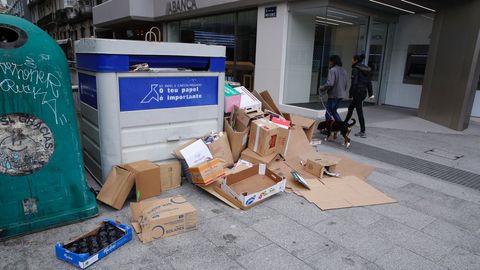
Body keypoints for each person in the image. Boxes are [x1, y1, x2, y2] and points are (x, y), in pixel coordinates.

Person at [344, 54, 374, 138]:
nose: (351, 60)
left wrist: (350, 94)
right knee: (350, 108)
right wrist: (371, 94)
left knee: (359, 111)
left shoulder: (355, 69)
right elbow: (369, 82)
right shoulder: (366, 69)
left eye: (352, 59)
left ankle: (363, 131)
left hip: (357, 92)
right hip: (363, 92)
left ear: (356, 60)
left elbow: (354, 83)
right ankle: (344, 124)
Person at [318, 55, 348, 122]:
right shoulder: (344, 71)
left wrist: (322, 88)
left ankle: (328, 129)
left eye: (330, 61)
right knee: (334, 112)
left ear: (333, 62)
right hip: (341, 95)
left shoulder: (332, 70)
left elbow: (330, 83)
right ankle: (341, 127)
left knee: (328, 113)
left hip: (334, 95)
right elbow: (346, 84)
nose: (329, 63)